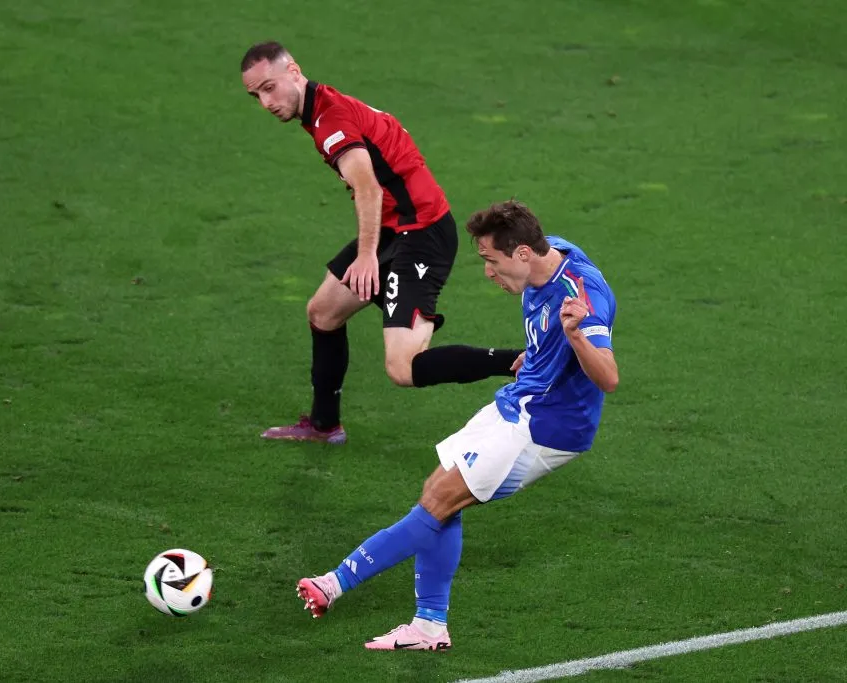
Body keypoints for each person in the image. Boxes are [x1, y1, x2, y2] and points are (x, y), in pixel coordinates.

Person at [294, 200, 619, 650]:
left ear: (523, 254)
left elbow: (609, 377)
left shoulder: (581, 297)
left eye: (491, 260)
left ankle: (333, 583)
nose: (488, 272)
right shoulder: (552, 253)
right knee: (437, 493)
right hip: (520, 403)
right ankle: (428, 626)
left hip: (547, 428)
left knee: (438, 503)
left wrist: (576, 336)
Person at [241, 41, 523, 444]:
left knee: (403, 367)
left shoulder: (330, 120)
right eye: (256, 95)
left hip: (421, 235)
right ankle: (325, 425)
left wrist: (368, 257)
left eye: (269, 87)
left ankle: (521, 361)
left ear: (293, 72)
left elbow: (369, 188)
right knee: (323, 312)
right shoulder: (323, 108)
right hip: (395, 227)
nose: (265, 102)